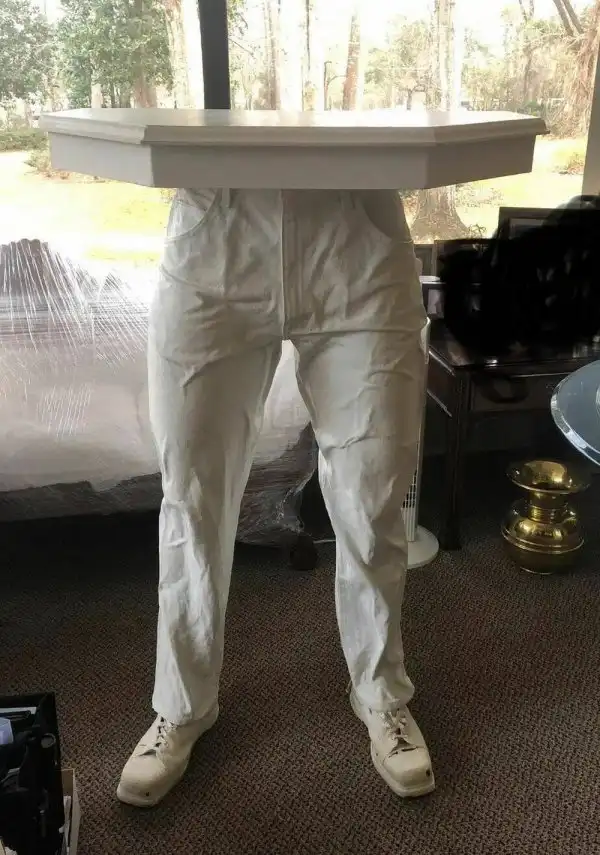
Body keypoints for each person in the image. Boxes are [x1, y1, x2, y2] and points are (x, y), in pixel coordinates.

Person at [117, 188, 433, 807]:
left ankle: (379, 693)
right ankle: (183, 705)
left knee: (372, 495)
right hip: (217, 230)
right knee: (192, 496)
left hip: (358, 230)